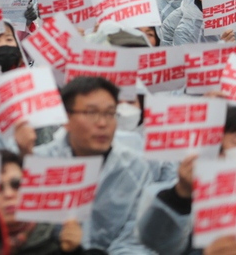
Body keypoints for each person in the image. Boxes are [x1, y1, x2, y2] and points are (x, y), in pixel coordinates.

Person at [29, 77, 152, 253]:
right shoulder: (40, 162)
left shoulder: (135, 168)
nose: (102, 123)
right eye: (91, 113)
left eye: (110, 113)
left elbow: (135, 240)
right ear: (66, 118)